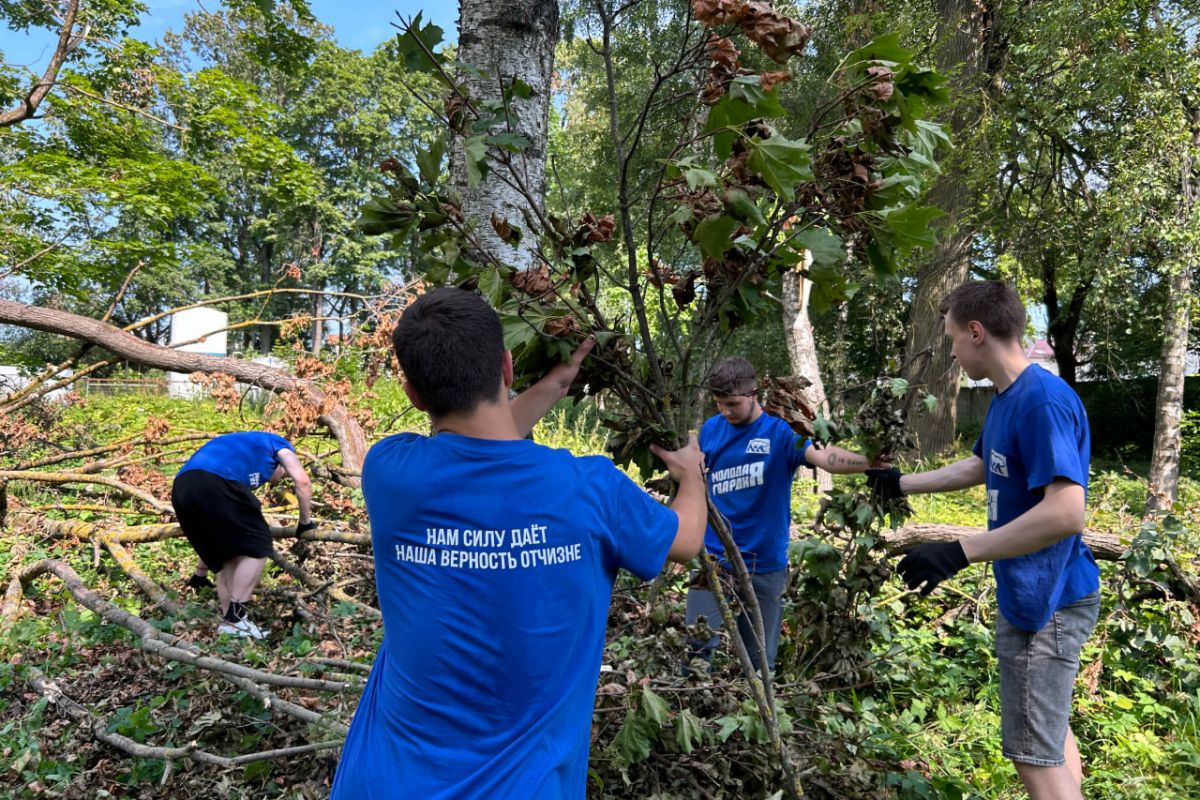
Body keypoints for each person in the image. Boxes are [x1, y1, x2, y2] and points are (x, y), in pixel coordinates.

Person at [328, 288, 707, 799]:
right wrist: (692, 477)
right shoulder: (590, 489)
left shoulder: (391, 472)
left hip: (384, 783)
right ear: (506, 366)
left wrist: (551, 388)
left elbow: (475, 450)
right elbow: (684, 541)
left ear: (414, 394)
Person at [868, 280, 1098, 800]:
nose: (950, 351)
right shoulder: (1007, 398)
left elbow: (1065, 513)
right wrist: (901, 482)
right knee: (1049, 734)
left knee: (1032, 757)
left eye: (951, 338)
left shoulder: (1041, 402)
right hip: (1035, 593)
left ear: (976, 332)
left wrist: (959, 551)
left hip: (1049, 604)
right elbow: (983, 462)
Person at [685, 356, 882, 674]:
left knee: (761, 658)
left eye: (732, 403)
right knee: (696, 647)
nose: (725, 411)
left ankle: (757, 716)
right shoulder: (711, 430)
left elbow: (824, 457)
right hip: (715, 559)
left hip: (765, 562)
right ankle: (692, 710)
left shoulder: (781, 432)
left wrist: (868, 461)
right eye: (719, 403)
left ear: (753, 394)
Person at [171, 431, 316, 639]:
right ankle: (236, 618)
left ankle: (231, 629)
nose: (275, 480)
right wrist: (305, 523)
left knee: (230, 553)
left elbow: (216, 533)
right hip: (215, 482)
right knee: (258, 544)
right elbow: (302, 481)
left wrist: (200, 572)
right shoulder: (278, 445)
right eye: (280, 474)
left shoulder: (240, 452)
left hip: (182, 487)